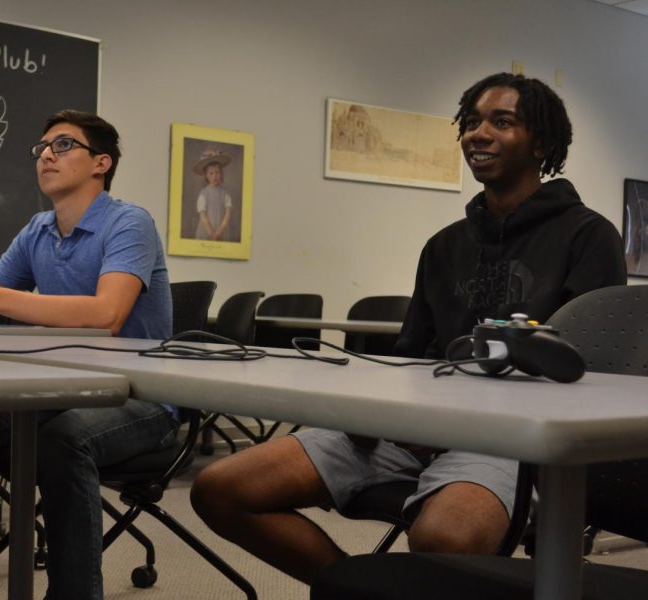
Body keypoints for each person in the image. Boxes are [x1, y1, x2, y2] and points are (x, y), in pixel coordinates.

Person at [189, 72, 627, 585]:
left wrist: (465, 417)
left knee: (443, 539)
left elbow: (587, 377)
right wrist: (402, 416)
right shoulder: (444, 245)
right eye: (470, 122)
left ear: (543, 144)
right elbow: (410, 354)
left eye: (501, 122)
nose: (477, 133)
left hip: (512, 441)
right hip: (412, 433)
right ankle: (364, 591)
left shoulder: (588, 235)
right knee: (220, 489)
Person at [0, 110, 179, 600]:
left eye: (64, 145)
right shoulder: (38, 230)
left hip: (143, 396)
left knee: (61, 439)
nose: (46, 154)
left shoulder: (129, 222)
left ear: (101, 163)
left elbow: (107, 315)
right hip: (65, 386)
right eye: (43, 147)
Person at [193, 149, 234, 241]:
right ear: (206, 176)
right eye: (211, 173)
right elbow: (203, 216)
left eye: (217, 172)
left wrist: (218, 232)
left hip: (221, 231)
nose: (214, 176)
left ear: (221, 174)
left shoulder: (225, 194)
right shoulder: (203, 194)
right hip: (206, 230)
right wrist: (211, 233)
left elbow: (227, 215)